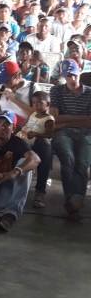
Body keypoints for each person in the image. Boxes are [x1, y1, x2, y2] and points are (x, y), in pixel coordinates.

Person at [49, 59, 91, 221]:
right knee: (68, 159)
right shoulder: (57, 91)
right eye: (68, 76)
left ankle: (76, 199)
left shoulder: (89, 92)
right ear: (63, 76)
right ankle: (70, 199)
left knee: (83, 163)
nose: (72, 79)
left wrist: (65, 120)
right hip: (63, 132)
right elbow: (54, 118)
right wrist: (81, 119)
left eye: (74, 75)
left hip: (85, 133)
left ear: (79, 71)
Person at [15, 91, 55, 208]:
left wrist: (37, 134)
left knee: (45, 146)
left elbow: (49, 135)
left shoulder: (49, 119)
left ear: (47, 104)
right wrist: (14, 133)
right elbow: (23, 125)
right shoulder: (33, 114)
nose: (36, 106)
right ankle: (9, 184)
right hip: (23, 139)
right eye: (34, 103)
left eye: (39, 103)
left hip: (36, 143)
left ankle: (40, 191)